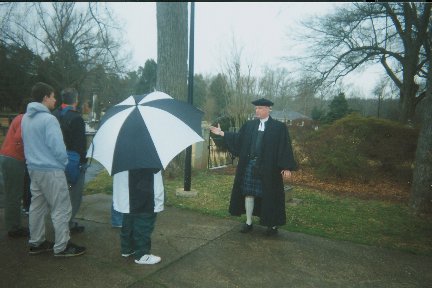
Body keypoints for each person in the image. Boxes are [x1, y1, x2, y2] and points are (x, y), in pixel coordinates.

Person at [209, 98, 297, 236]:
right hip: (250, 165)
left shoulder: (279, 128)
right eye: (256, 108)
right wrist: (222, 133)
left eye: (260, 108)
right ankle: (249, 222)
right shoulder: (249, 125)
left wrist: (286, 167)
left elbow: (284, 147)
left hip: (269, 168)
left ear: (269, 109)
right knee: (248, 193)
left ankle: (272, 225)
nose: (257, 110)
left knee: (270, 195)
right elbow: (238, 139)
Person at [21, 82, 86, 257]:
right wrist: (64, 162)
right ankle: (62, 246)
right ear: (45, 97)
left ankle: (36, 242)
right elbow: (58, 147)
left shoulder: (26, 118)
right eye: (53, 96)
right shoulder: (49, 119)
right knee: (61, 208)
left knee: (37, 206)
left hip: (34, 168)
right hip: (51, 170)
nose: (55, 99)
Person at [52, 87, 87, 234]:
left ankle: (61, 222)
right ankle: (67, 224)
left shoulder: (54, 114)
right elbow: (80, 145)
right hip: (73, 161)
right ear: (76, 100)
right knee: (74, 196)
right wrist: (83, 163)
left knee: (60, 195)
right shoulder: (76, 118)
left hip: (55, 159)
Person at [113, 168, 164, 265]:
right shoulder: (147, 154)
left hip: (127, 187)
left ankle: (127, 249)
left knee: (129, 219)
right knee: (144, 222)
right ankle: (142, 254)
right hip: (144, 188)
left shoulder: (121, 154)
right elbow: (154, 168)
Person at [0, 98, 33, 238]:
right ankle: (14, 228)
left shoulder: (18, 117)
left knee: (10, 194)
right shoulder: (25, 118)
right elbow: (20, 137)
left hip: (6, 156)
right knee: (14, 195)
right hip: (14, 159)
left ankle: (12, 224)